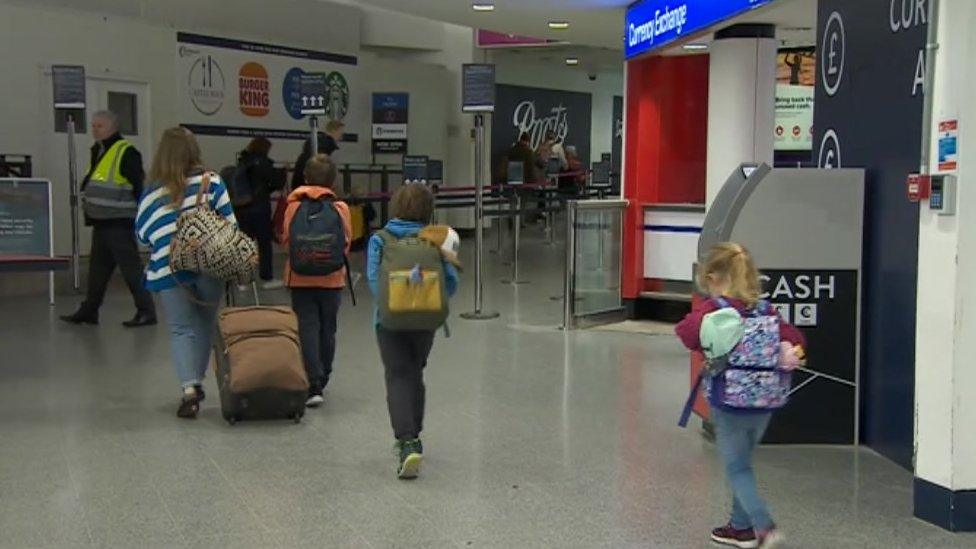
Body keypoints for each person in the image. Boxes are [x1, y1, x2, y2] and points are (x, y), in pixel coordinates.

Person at [675, 243, 806, 549]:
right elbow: (796, 339)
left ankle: (763, 526)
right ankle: (740, 527)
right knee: (744, 462)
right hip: (765, 400)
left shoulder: (715, 310)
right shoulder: (765, 309)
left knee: (736, 468)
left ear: (713, 277)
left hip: (730, 400)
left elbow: (685, 332)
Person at [135, 127, 236, 419]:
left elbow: (142, 236)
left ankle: (189, 389)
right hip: (208, 266)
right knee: (204, 322)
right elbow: (231, 226)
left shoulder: (152, 192)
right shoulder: (212, 182)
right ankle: (199, 380)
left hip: (169, 270)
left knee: (180, 329)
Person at [366, 183, 459, 479]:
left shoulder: (379, 240)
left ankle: (407, 441)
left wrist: (394, 301)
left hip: (389, 322)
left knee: (398, 375)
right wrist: (424, 299)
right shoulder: (437, 239)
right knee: (414, 372)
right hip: (426, 322)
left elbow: (372, 281)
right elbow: (451, 282)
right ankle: (415, 433)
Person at [61, 110, 157, 327]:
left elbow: (138, 186)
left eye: (99, 126)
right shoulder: (99, 150)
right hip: (102, 221)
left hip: (119, 222)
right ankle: (89, 310)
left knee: (130, 269)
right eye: (93, 125)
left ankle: (146, 311)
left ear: (113, 127)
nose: (95, 129)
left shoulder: (126, 152)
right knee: (98, 271)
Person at [281, 154, 352, 408]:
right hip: (331, 280)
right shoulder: (340, 208)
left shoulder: (292, 207)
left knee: (307, 328)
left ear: (305, 177)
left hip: (300, 279)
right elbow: (345, 243)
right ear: (333, 181)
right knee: (328, 328)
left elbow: (286, 241)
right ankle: (325, 373)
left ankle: (313, 382)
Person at [233, 137, 284, 289]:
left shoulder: (243, 160)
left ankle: (243, 280)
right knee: (264, 244)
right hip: (259, 209)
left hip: (242, 209)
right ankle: (267, 278)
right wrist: (282, 173)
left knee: (244, 244)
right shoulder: (262, 163)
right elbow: (276, 182)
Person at [291, 120, 345, 189]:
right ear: (334, 131)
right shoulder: (326, 146)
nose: (341, 137)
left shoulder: (316, 143)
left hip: (300, 184)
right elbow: (321, 171)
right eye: (341, 133)